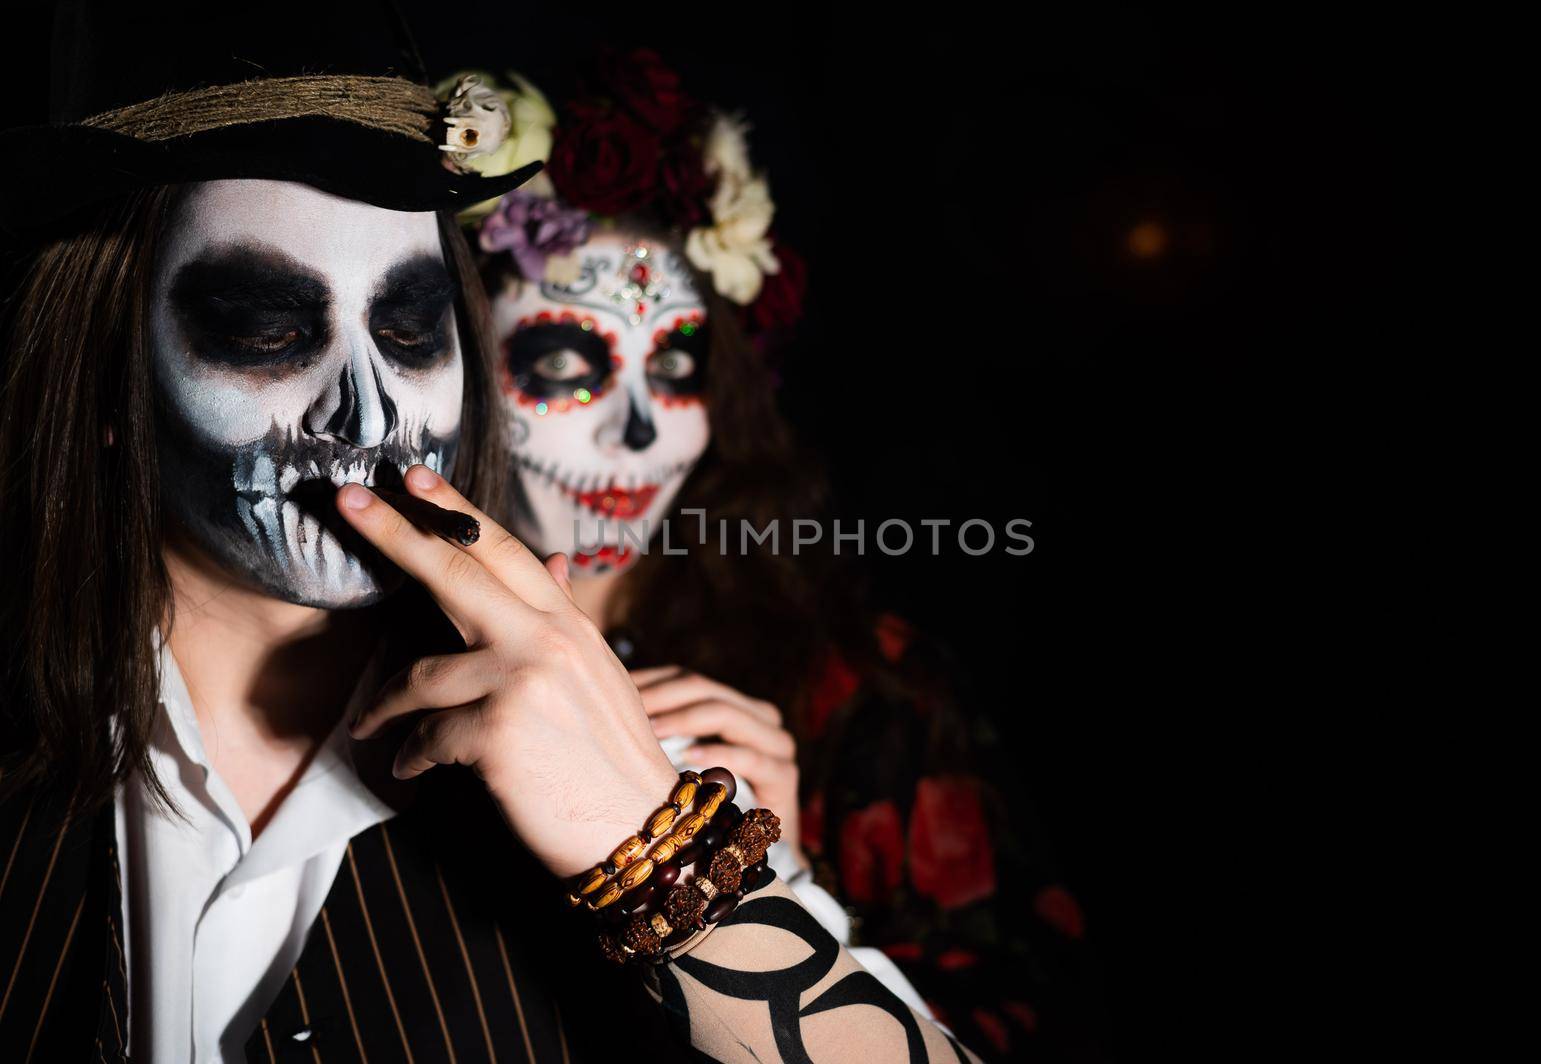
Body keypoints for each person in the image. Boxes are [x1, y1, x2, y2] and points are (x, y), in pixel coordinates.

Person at [0, 5, 980, 1062]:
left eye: (409, 329)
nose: (369, 419)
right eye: (271, 331)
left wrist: (655, 849)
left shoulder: (636, 768)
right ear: (105, 374)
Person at [448, 54, 1108, 1060]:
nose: (637, 433)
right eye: (567, 365)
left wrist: (784, 881)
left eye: (673, 368)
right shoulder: (341, 660)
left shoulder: (864, 691)